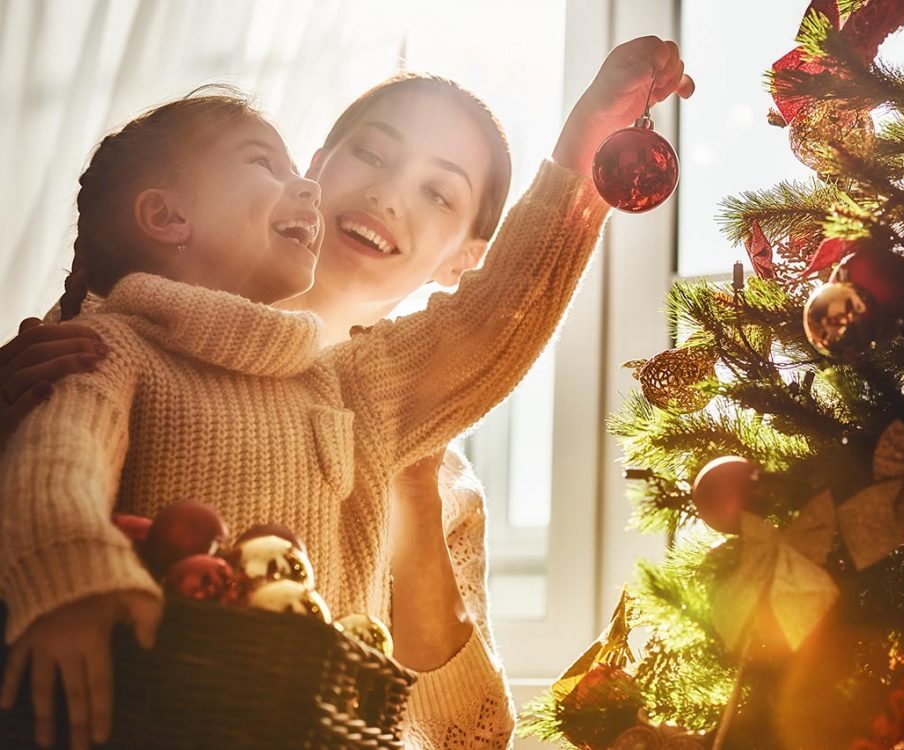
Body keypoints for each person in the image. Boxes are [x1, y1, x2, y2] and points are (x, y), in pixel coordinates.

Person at [0, 37, 693, 750]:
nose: (389, 196)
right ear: (318, 172)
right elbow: (54, 477)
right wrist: (67, 571)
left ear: (466, 261)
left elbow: (494, 320)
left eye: (438, 190)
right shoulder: (98, 343)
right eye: (372, 155)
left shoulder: (371, 400)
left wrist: (587, 149)